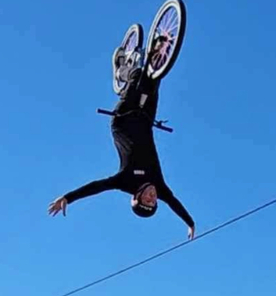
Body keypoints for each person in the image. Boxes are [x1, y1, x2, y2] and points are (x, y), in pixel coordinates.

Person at [48, 59, 195, 238]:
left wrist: (68, 198)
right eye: (154, 201)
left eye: (147, 199)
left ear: (137, 196)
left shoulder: (125, 182)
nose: (152, 196)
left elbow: (97, 186)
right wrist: (190, 223)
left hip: (123, 121)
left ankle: (121, 72)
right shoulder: (160, 187)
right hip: (145, 120)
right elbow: (174, 203)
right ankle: (160, 50)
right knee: (155, 78)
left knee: (137, 75)